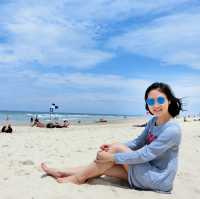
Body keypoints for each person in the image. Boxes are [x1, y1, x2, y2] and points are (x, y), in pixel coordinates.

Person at [41, 82, 183, 193]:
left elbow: (145, 154)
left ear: (169, 100)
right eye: (151, 102)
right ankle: (62, 171)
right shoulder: (153, 122)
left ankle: (78, 179)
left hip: (158, 179)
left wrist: (114, 155)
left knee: (113, 154)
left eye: (160, 100)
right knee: (103, 166)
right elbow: (137, 142)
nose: (155, 105)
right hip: (146, 171)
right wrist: (111, 149)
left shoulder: (172, 130)